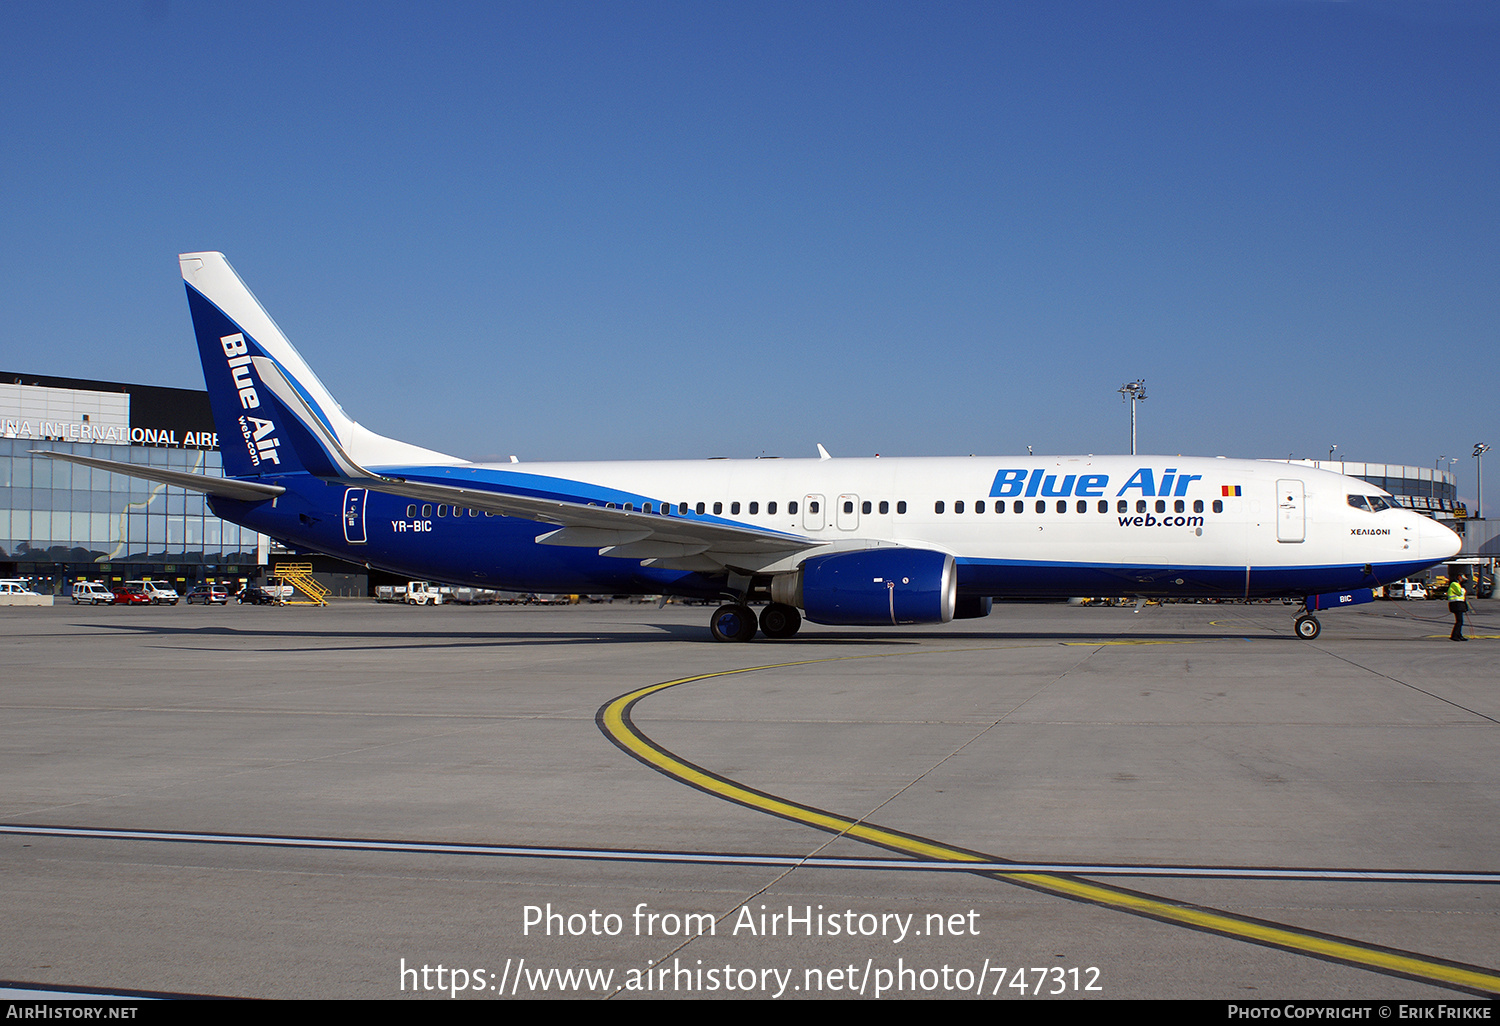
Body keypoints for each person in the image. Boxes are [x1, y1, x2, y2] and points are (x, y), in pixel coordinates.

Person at [1448, 572, 1469, 641]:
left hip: (1459, 604)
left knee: (1460, 621)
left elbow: (1462, 597)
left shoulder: (1457, 584)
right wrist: (1462, 587)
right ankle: (1455, 635)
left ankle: (1459, 635)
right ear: (1459, 577)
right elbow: (1460, 592)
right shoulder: (1454, 584)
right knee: (1459, 621)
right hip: (1456, 604)